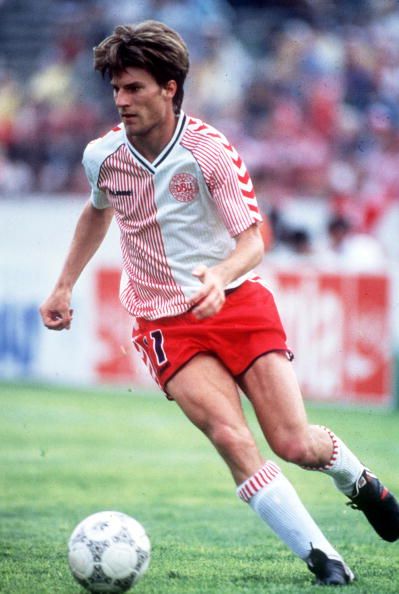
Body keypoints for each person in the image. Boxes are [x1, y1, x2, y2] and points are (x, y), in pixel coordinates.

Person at [39, 21, 399, 586]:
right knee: (233, 439)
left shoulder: (209, 152)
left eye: (134, 88)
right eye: (116, 89)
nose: (121, 100)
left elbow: (254, 238)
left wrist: (219, 276)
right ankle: (323, 559)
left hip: (236, 302)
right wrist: (64, 284)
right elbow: (96, 209)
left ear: (170, 87)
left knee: (293, 442)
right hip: (163, 322)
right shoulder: (102, 156)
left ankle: (359, 482)